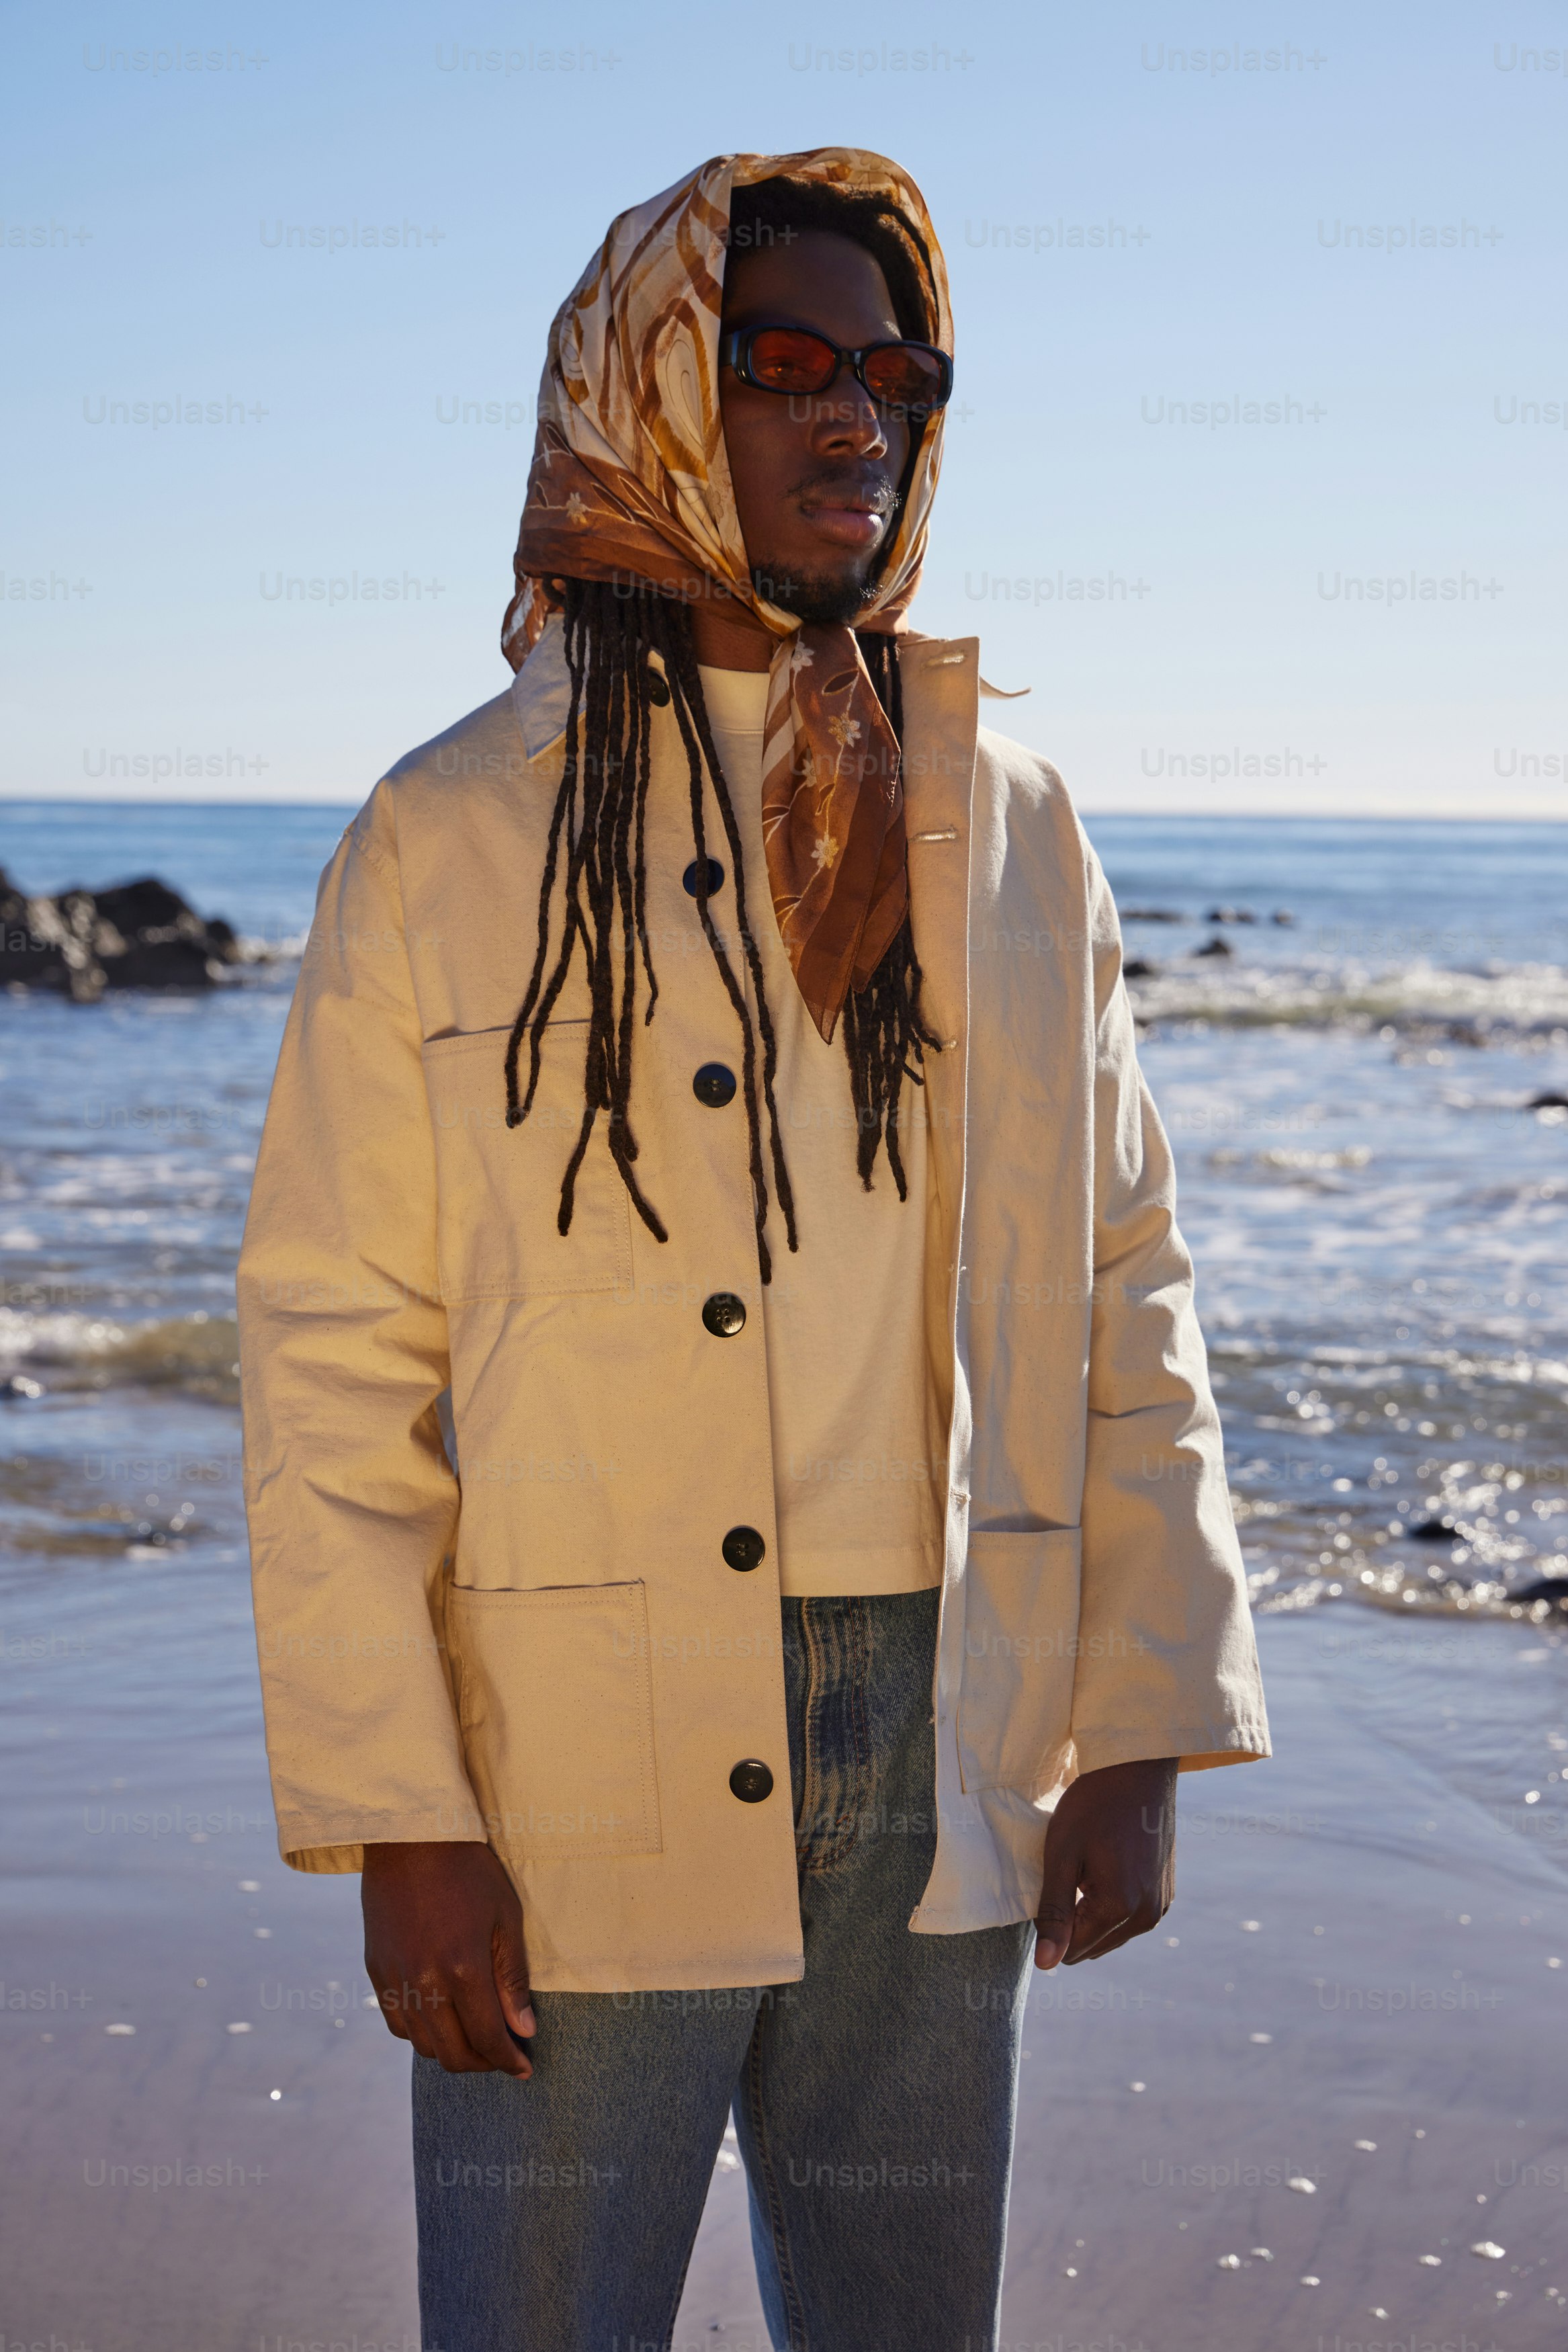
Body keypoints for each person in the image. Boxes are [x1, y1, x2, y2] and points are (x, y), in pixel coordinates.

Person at [238, 147, 1270, 2352]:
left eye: (898, 375)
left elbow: (1125, 1274)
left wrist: (1145, 1716)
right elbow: (334, 1354)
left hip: (941, 1724)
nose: (854, 419)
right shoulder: (452, 829)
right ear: (649, 394)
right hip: (569, 1744)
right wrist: (398, 1811)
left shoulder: (1009, 821)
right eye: (784, 362)